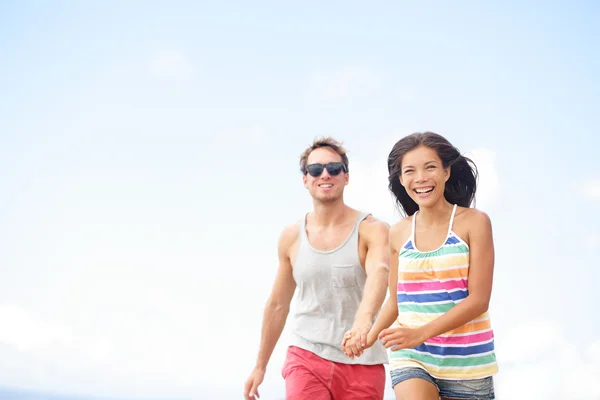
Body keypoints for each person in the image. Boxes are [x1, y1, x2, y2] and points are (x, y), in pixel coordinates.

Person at [243, 137, 391, 400]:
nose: (325, 174)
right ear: (305, 179)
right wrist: (260, 366)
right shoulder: (291, 237)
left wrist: (362, 322)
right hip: (306, 355)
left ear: (346, 177)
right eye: (315, 169)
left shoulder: (373, 229)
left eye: (334, 168)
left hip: (363, 360)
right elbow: (278, 304)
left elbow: (380, 270)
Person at [358, 132, 498, 400]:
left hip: (468, 365)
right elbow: (396, 300)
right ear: (401, 180)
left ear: (446, 171)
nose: (420, 178)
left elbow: (479, 300)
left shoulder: (474, 223)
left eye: (430, 167)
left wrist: (420, 333)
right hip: (412, 357)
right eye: (410, 171)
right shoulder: (398, 232)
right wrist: (368, 336)